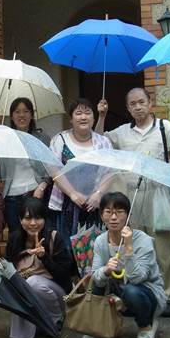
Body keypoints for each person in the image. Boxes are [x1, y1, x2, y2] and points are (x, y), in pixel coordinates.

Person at [96, 87, 170, 316]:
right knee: (131, 244)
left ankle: (168, 295)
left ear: (150, 103)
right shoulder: (122, 132)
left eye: (141, 102)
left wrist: (165, 172)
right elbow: (98, 141)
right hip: (130, 196)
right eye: (132, 104)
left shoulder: (165, 127)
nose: (138, 107)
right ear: (128, 108)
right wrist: (102, 116)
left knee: (162, 247)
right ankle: (133, 293)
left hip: (157, 193)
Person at [90, 192, 168, 338]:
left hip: (145, 290)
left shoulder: (143, 240)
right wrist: (106, 270)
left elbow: (138, 278)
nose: (114, 218)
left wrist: (129, 248)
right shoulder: (100, 240)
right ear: (101, 215)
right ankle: (97, 325)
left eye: (119, 212)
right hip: (116, 287)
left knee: (132, 290)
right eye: (109, 212)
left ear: (127, 215)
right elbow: (95, 276)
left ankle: (146, 325)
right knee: (96, 281)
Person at [5, 196, 73, 338]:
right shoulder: (15, 239)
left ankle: (56, 318)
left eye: (38, 218)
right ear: (20, 220)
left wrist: (44, 257)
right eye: (28, 219)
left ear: (44, 219)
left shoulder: (55, 238)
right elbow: (9, 269)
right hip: (26, 292)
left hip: (56, 293)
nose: (33, 223)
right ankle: (36, 324)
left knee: (33, 282)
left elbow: (65, 277)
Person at [49, 98, 112, 241]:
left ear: (93, 117)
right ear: (71, 119)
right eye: (78, 113)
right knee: (65, 247)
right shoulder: (59, 140)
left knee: (93, 249)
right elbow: (54, 169)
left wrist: (98, 194)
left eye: (87, 113)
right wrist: (72, 193)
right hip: (66, 204)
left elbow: (110, 172)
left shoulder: (103, 142)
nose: (83, 117)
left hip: (95, 204)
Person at [0, 97, 52, 234]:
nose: (21, 115)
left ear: (32, 115)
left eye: (26, 111)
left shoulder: (42, 138)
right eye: (17, 112)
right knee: (16, 237)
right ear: (11, 116)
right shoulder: (6, 139)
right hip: (11, 197)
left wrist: (42, 186)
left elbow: (52, 167)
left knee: (37, 235)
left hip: (34, 193)